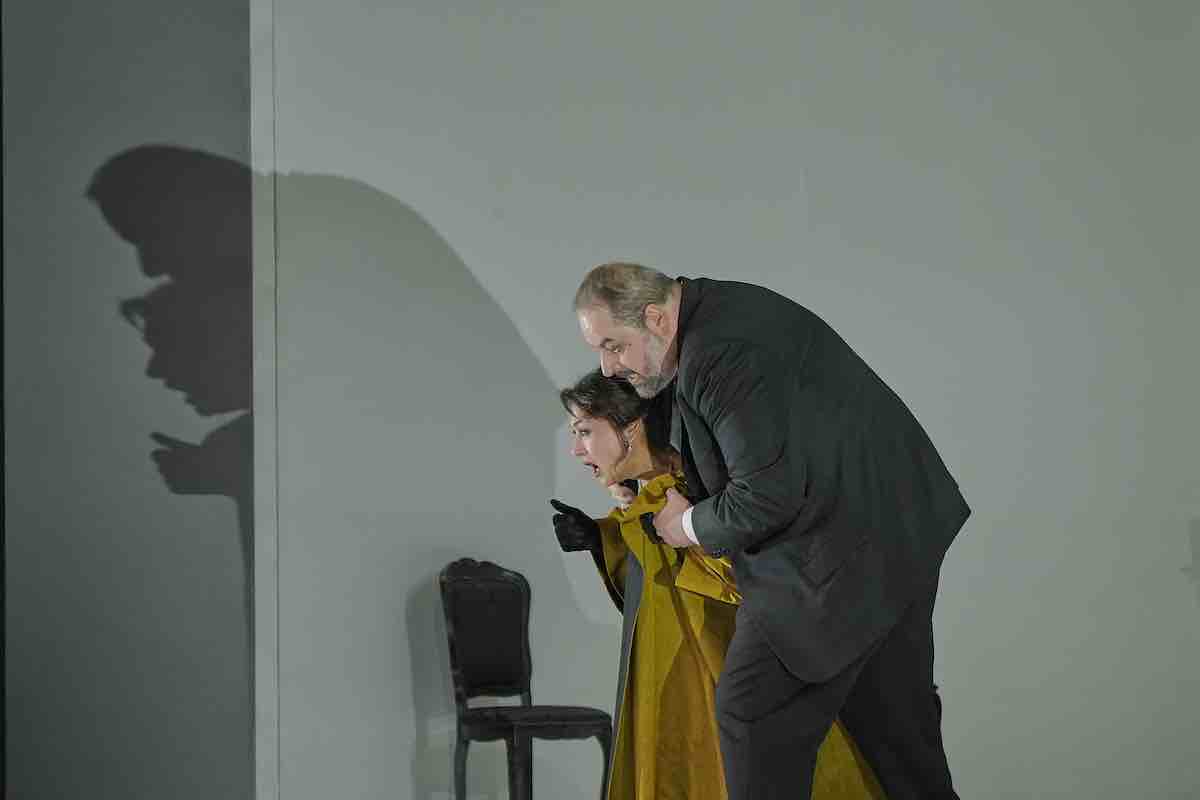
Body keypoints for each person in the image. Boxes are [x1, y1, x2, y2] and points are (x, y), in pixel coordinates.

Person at [570, 264, 971, 800]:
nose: (608, 366)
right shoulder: (714, 313)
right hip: (894, 527)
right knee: (897, 732)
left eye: (614, 346)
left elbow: (764, 499)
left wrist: (684, 525)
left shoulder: (720, 354)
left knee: (752, 713)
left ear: (656, 318)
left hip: (838, 548)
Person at [550, 369, 884, 800]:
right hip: (679, 665)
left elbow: (739, 572)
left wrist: (666, 529)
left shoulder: (699, 484)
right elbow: (655, 569)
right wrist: (601, 536)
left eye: (584, 432)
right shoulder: (656, 494)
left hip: (725, 660)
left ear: (630, 428)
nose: (577, 449)